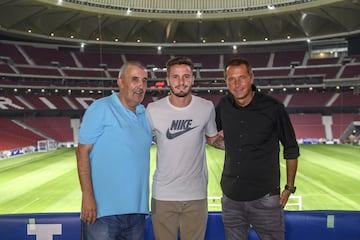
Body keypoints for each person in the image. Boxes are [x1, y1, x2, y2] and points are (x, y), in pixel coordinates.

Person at [215, 58, 300, 240]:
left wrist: (289, 187)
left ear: (251, 78)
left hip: (265, 198)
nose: (237, 84)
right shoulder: (224, 106)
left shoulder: (273, 108)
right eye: (231, 79)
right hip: (231, 197)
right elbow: (209, 132)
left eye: (242, 77)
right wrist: (229, 146)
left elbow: (291, 148)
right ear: (226, 82)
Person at [146, 56, 224, 240]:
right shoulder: (153, 110)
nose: (181, 82)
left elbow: (213, 139)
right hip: (163, 195)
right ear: (167, 80)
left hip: (195, 195)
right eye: (175, 77)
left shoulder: (206, 107)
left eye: (186, 76)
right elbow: (139, 142)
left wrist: (243, 146)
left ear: (193, 79)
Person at [76, 61, 152, 240]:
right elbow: (82, 152)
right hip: (103, 213)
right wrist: (87, 196)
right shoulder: (101, 108)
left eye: (144, 80)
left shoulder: (144, 115)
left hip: (137, 213)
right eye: (134, 79)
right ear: (120, 82)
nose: (141, 85)